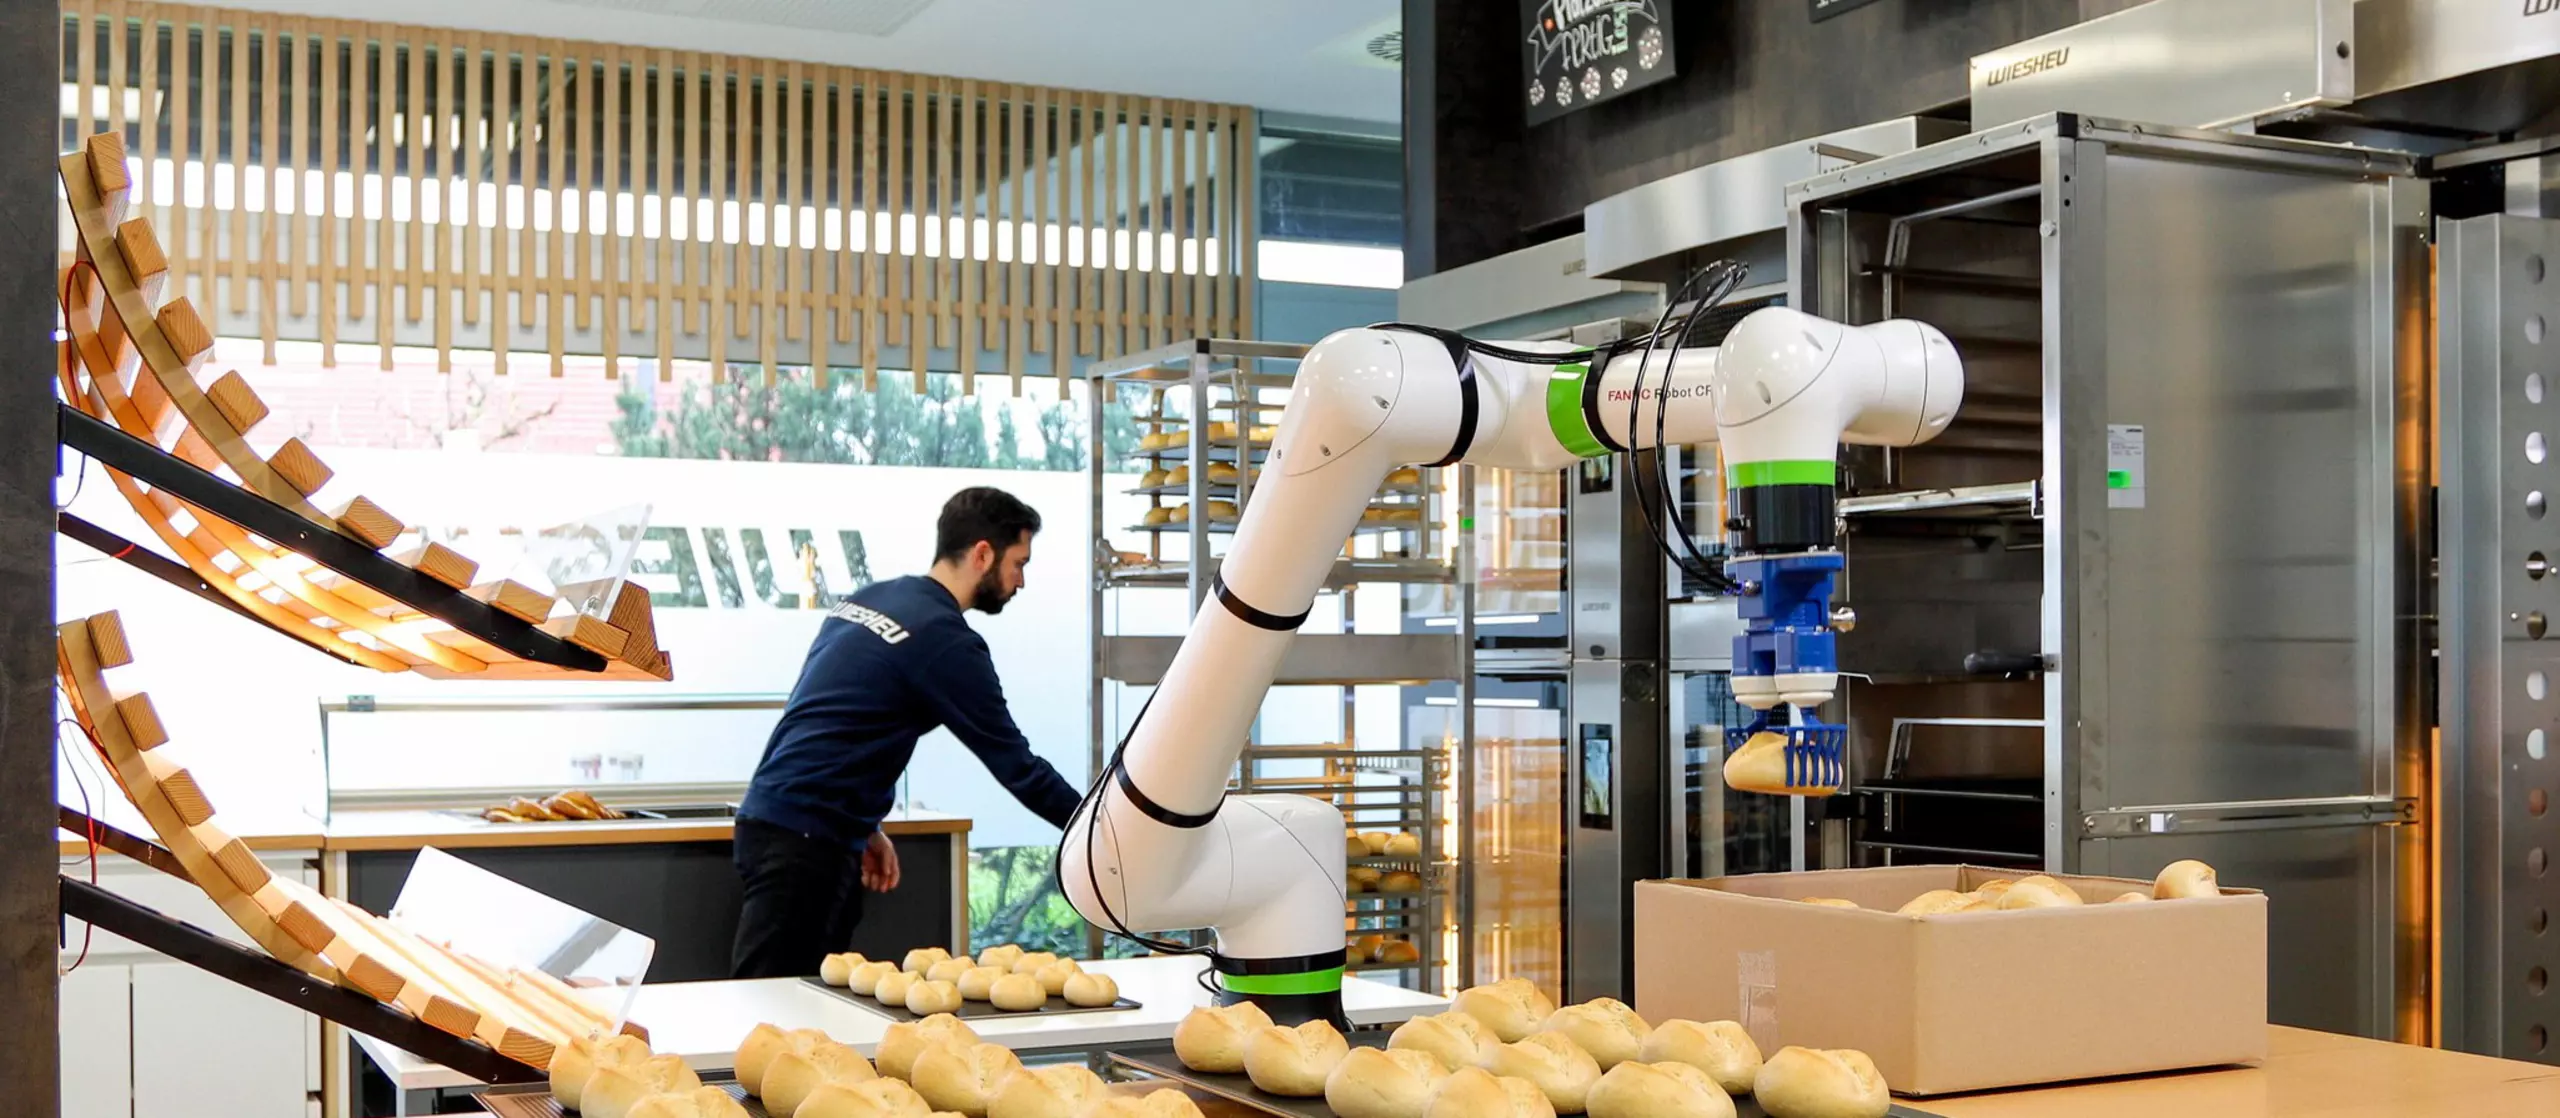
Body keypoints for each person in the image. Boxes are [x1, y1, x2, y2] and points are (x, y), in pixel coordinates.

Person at [731, 486, 1085, 979]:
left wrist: (865, 824)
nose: (1021, 581)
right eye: (1019, 563)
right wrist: (1099, 834)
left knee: (800, 1009)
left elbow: (827, 715)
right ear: (983, 553)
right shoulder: (946, 641)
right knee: (770, 1015)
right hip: (807, 844)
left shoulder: (873, 597)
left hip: (773, 820)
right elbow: (1018, 768)